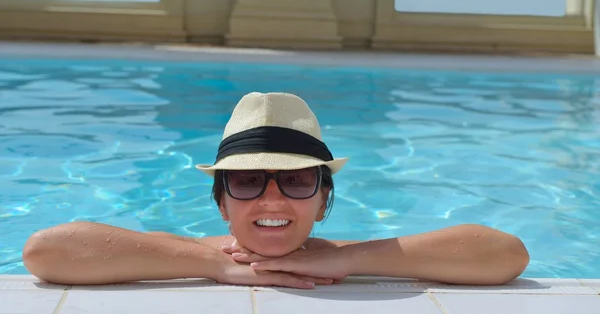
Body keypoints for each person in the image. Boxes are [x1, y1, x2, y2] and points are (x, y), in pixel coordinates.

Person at [22, 92, 530, 288]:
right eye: (246, 182)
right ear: (221, 203)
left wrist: (349, 260)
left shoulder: (346, 255)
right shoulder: (181, 253)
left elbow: (506, 254)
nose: (272, 199)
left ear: (323, 199)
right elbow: (46, 251)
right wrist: (217, 266)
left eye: (295, 180)